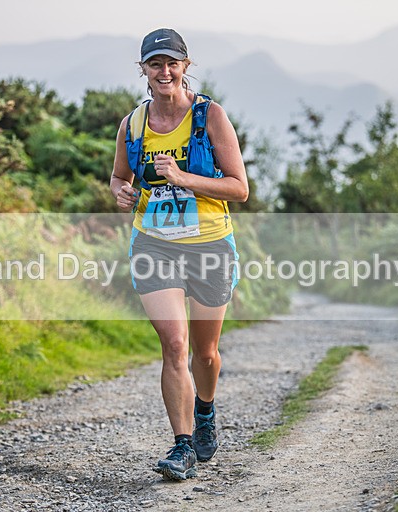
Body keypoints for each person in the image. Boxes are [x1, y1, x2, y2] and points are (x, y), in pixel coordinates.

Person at [109, 28, 249, 481]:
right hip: (154, 243)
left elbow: (239, 188)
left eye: (172, 63)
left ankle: (205, 410)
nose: (164, 71)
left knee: (204, 354)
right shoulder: (132, 125)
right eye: (155, 64)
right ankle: (183, 445)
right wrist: (122, 192)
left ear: (186, 67)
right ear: (144, 71)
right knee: (174, 345)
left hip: (209, 244)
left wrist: (186, 178)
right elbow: (117, 177)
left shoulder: (211, 116)